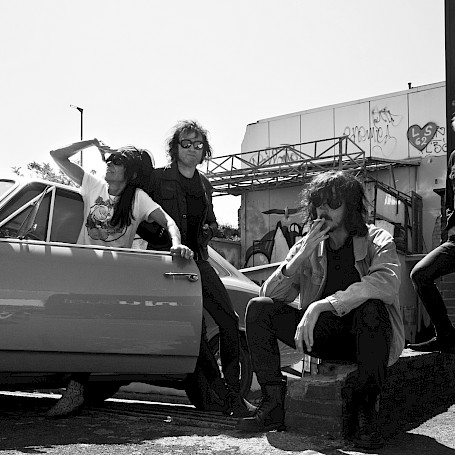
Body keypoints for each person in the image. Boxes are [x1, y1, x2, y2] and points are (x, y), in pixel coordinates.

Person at [236, 170, 405, 450]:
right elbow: (269, 294)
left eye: (333, 203)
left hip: (367, 340)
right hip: (322, 339)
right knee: (258, 309)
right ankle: (273, 403)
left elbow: (386, 283)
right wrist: (299, 257)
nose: (323, 210)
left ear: (350, 206)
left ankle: (366, 413)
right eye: (318, 203)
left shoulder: (377, 240)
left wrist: (322, 305)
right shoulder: (308, 245)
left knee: (372, 308)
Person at [47, 138, 193, 418]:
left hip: (111, 279)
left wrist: (177, 244)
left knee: (87, 330)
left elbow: (169, 221)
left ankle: (75, 391)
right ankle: (71, 386)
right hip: (82, 273)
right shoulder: (93, 185)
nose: (110, 164)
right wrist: (92, 143)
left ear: (131, 172)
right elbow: (57, 155)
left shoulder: (137, 199)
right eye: (109, 159)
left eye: (118, 162)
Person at [138, 120, 255, 418]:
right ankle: (220, 394)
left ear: (205, 150)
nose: (192, 149)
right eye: (186, 144)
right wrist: (166, 238)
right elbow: (140, 217)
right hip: (167, 262)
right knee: (195, 330)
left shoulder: (205, 184)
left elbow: (212, 220)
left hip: (198, 260)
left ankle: (232, 392)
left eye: (198, 144)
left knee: (229, 321)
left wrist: (208, 231)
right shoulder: (157, 178)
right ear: (175, 148)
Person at [407, 115, 455, 353]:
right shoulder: (454, 158)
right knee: (420, 274)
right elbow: (450, 199)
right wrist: (450, 227)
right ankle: (446, 335)